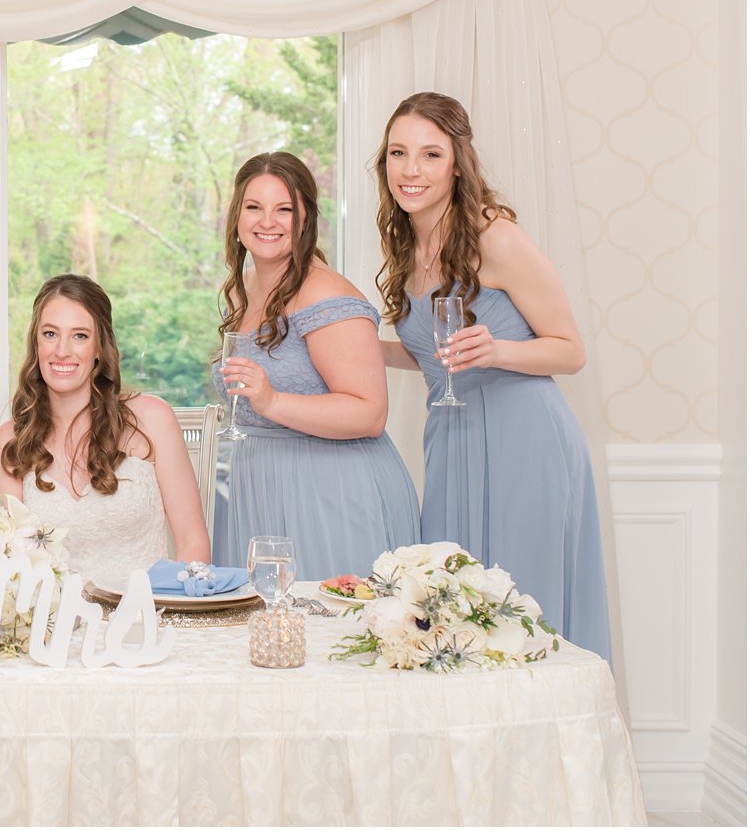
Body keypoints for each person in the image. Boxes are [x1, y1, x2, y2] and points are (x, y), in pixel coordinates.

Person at [375, 91, 611, 661]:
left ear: (458, 162)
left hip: (524, 442)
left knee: (522, 623)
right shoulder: (406, 247)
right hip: (451, 441)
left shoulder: (495, 236)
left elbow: (570, 350)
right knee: (455, 621)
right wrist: (366, 348)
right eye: (397, 153)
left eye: (430, 155)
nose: (411, 170)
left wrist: (499, 350)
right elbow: (437, 357)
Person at [213, 152, 419, 581]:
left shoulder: (326, 294)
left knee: (328, 639)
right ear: (237, 216)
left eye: (284, 209)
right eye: (254, 207)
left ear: (305, 217)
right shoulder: (246, 290)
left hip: (328, 490)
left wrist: (272, 400)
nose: (267, 221)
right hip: (258, 487)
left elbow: (370, 412)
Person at [0, 274, 209, 585]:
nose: (62, 351)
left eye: (79, 336)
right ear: (36, 344)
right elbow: (12, 566)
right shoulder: (6, 443)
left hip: (150, 619)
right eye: (50, 334)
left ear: (100, 348)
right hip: (55, 626)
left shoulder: (153, 419)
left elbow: (193, 545)